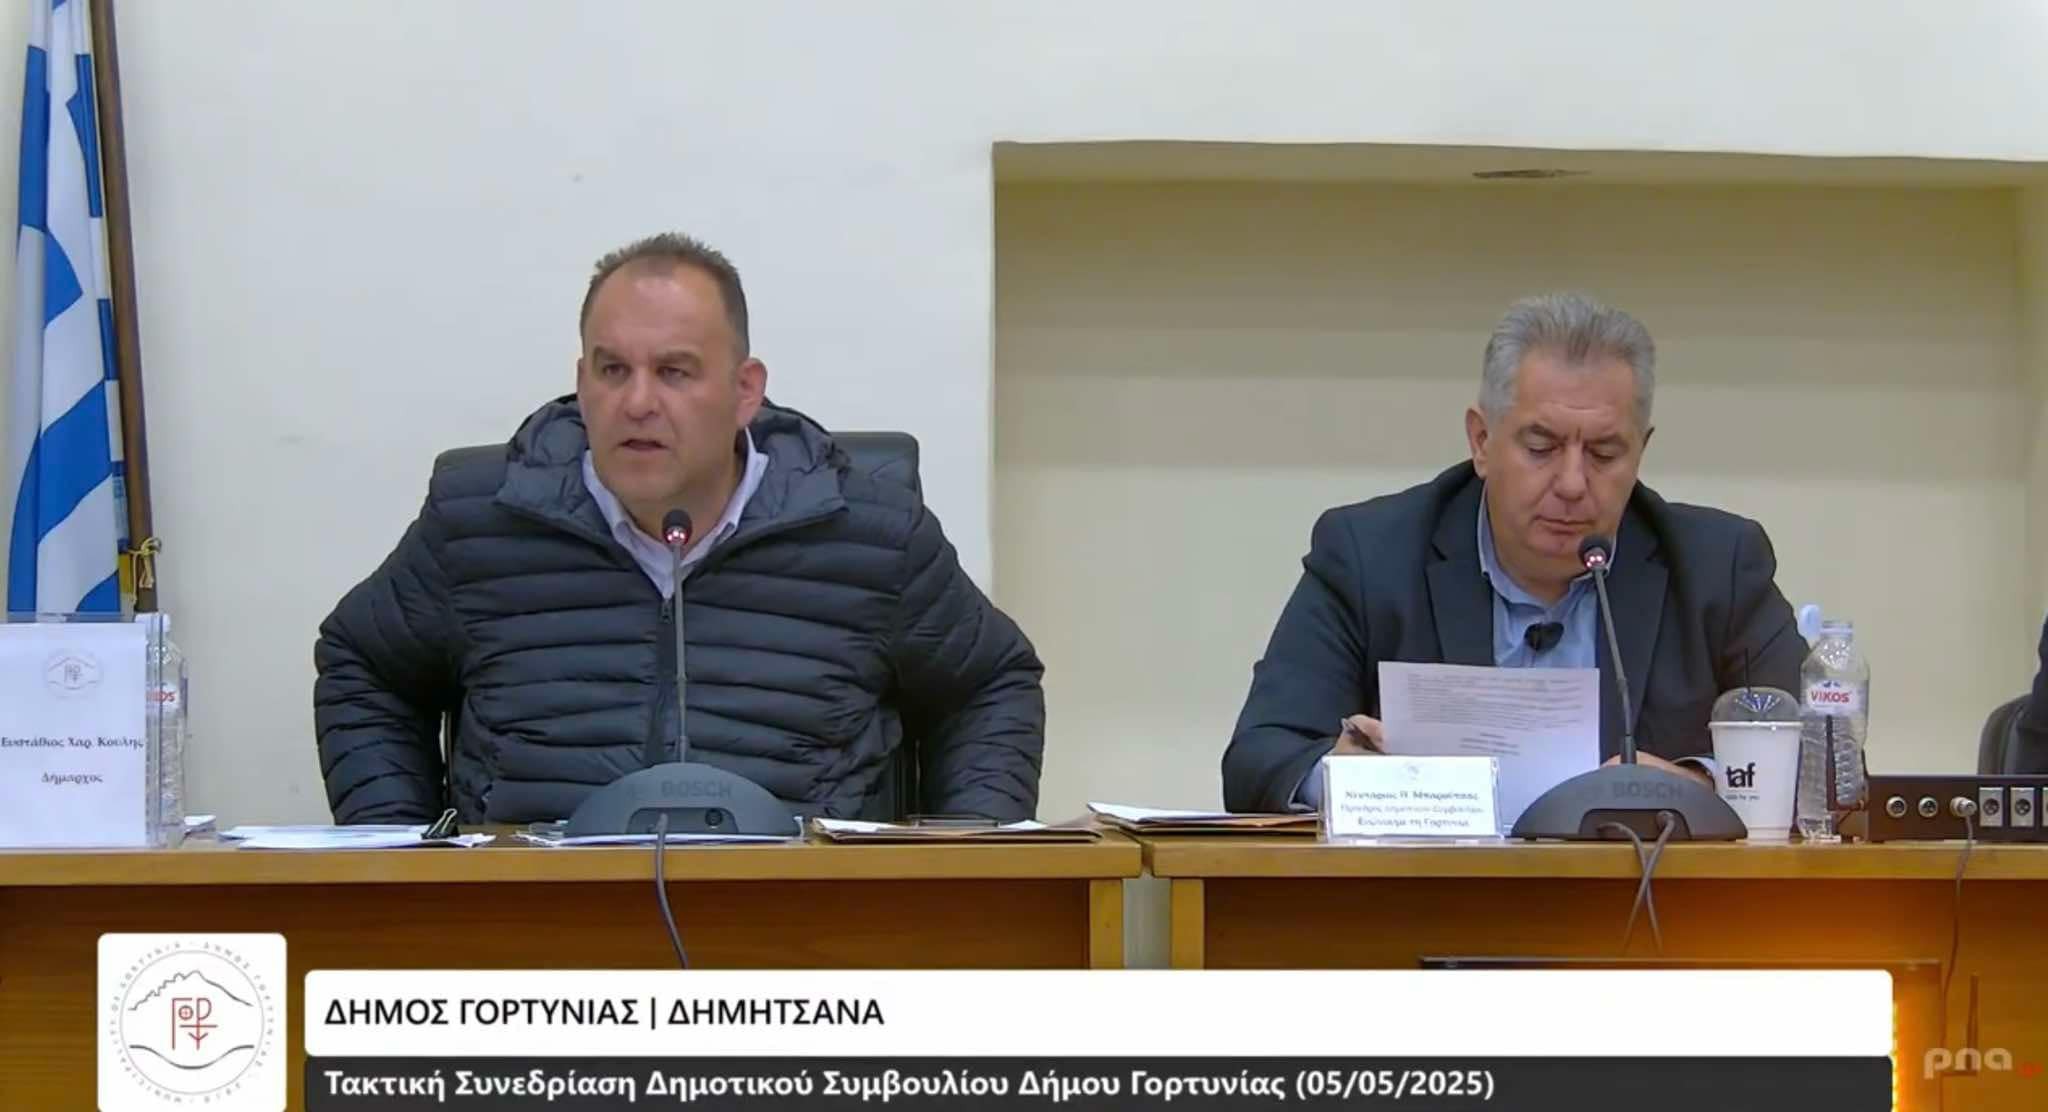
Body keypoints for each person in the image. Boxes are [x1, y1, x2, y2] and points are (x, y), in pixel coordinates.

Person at [315, 233, 1044, 824]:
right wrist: (398, 851)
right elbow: (364, 664)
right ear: (582, 382)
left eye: (674, 372)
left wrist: (963, 865)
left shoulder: (869, 534)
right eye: (612, 370)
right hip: (534, 926)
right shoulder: (479, 521)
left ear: (745, 390)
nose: (637, 402)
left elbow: (989, 683)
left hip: (801, 926)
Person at [1223, 292, 1805, 812]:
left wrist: (1701, 785)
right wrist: (1350, 778)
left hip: (1648, 893)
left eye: (1604, 453)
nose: (1573, 483)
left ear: (1641, 451)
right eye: (1541, 447)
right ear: (1482, 441)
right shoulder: (1370, 557)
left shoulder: (1718, 567)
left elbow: (1824, 764)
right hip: (1428, 894)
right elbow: (1260, 759)